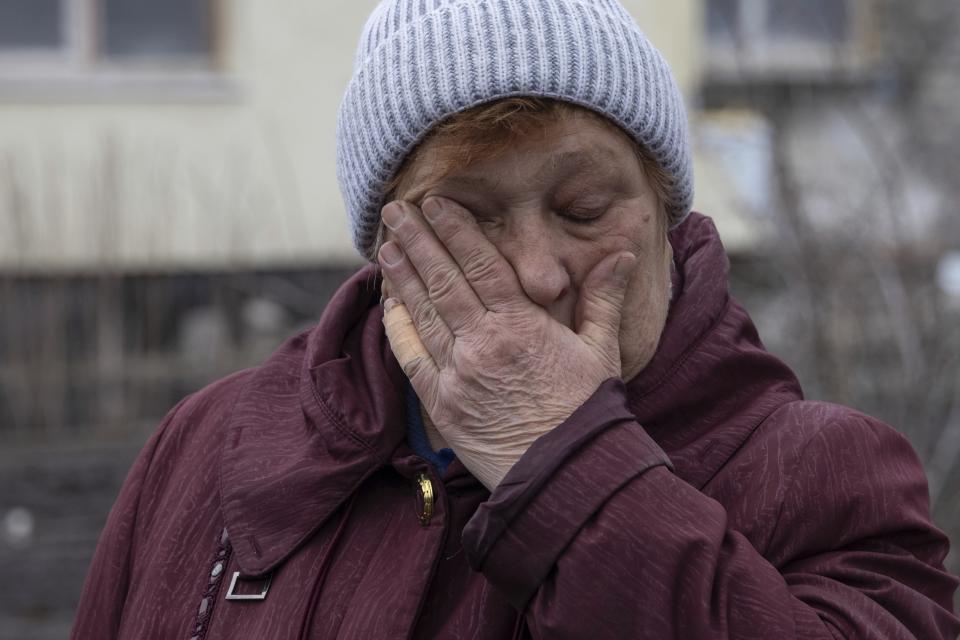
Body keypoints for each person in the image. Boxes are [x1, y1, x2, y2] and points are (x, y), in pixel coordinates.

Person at [72, 0, 959, 638]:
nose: (535, 274)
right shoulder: (209, 447)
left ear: (665, 218)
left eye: (582, 210)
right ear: (386, 244)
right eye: (473, 217)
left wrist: (567, 464)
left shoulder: (823, 474)